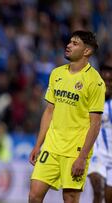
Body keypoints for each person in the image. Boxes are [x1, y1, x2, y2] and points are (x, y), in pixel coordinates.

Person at [28, 30, 105, 203]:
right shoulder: (57, 73)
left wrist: (82, 157)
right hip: (52, 146)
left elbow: (95, 124)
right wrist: (38, 145)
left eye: (75, 43)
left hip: (75, 150)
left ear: (87, 51)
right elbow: (49, 111)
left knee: (70, 199)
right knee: (34, 195)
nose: (68, 45)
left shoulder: (95, 82)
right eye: (69, 42)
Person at [87, 64, 112, 203]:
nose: (107, 84)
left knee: (108, 197)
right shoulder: (90, 100)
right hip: (95, 153)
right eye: (104, 80)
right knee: (98, 189)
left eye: (110, 81)